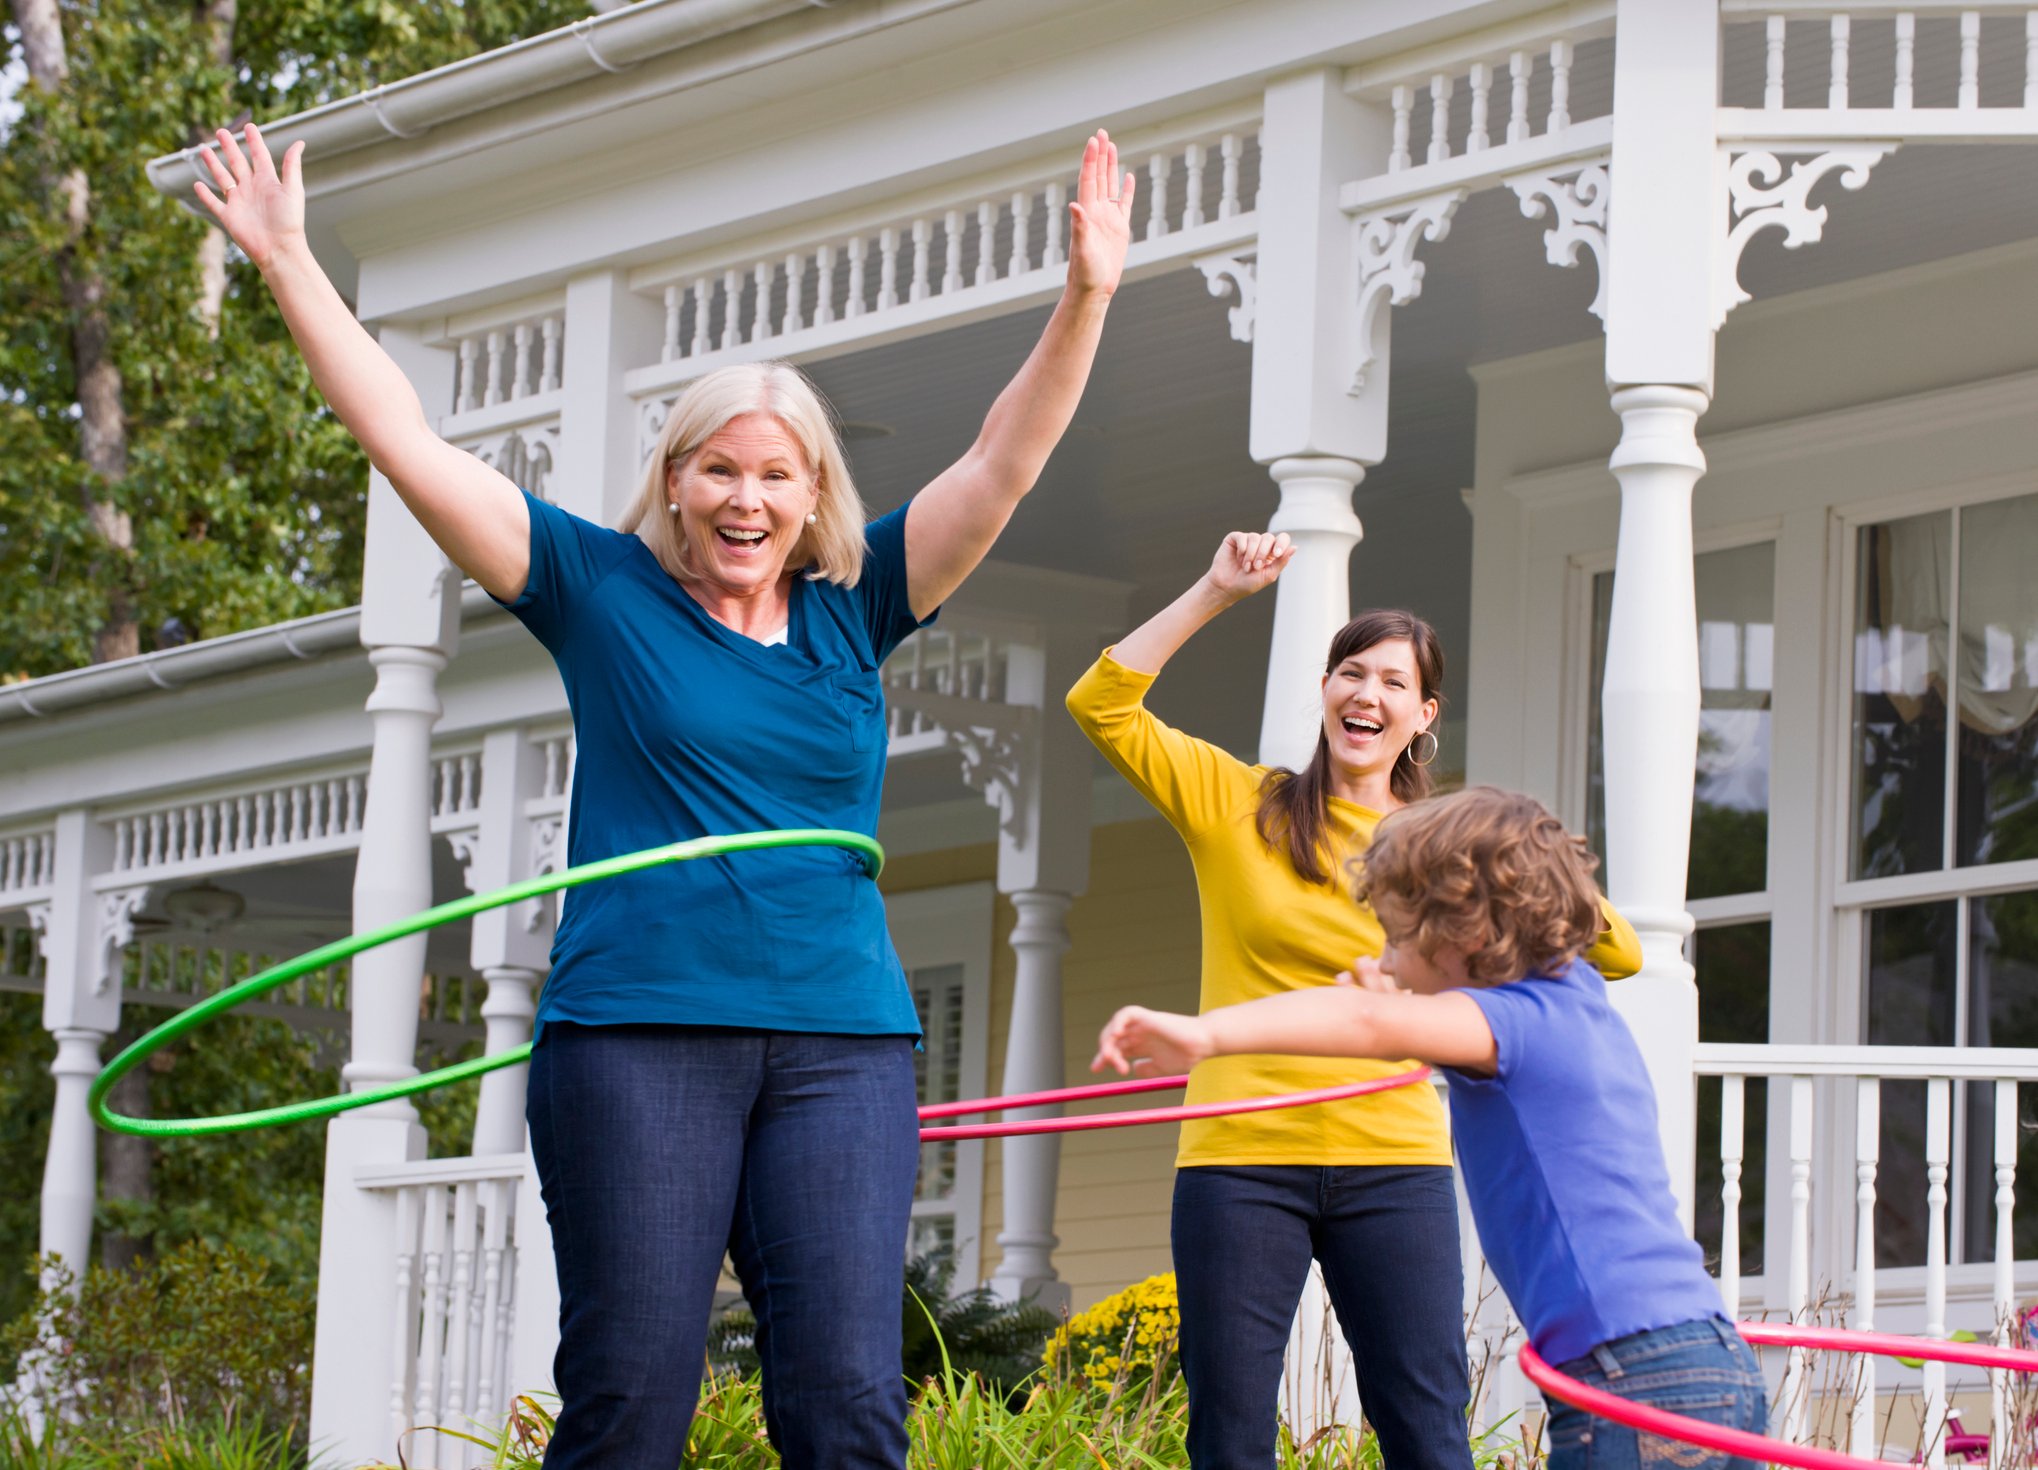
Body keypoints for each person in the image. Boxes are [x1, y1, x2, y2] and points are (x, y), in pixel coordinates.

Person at [193, 122, 1135, 1467]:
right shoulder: (597, 587)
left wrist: (1087, 291)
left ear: (812, 492)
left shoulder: (858, 605)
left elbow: (1004, 462)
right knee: (633, 1401)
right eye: (718, 468)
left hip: (838, 1044)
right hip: (638, 1035)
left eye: (774, 472)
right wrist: (289, 260)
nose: (745, 497)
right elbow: (407, 442)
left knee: (851, 1405)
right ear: (676, 482)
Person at [1064, 531, 1641, 1470]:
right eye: (1350, 673)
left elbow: (1613, 948)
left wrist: (1497, 864)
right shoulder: (1235, 804)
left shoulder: (1445, 852)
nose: (1366, 695)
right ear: (1326, 691)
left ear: (1423, 716)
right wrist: (1215, 590)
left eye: (1393, 683)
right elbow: (1101, 702)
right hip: (1239, 1159)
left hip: (1394, 1159)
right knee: (1231, 1433)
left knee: (1425, 1430)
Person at [1092, 785, 1765, 1470]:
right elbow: (1388, 1027)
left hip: (1627, 1371)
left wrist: (1204, 1035)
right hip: (1709, 1358)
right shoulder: (1574, 1002)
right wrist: (1392, 1011)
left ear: (1463, 933)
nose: (1383, 958)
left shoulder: (1511, 1023)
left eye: (1394, 933)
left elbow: (1369, 1023)